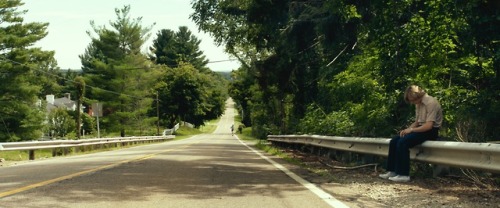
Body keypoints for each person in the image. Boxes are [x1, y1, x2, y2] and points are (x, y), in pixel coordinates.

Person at [379, 85, 443, 182]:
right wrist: (407, 129)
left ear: (417, 96)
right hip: (420, 128)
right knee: (395, 140)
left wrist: (412, 130)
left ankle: (404, 174)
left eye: (412, 100)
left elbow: (429, 126)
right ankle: (392, 171)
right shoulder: (418, 104)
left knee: (403, 142)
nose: (412, 102)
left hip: (431, 130)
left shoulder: (430, 102)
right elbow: (417, 122)